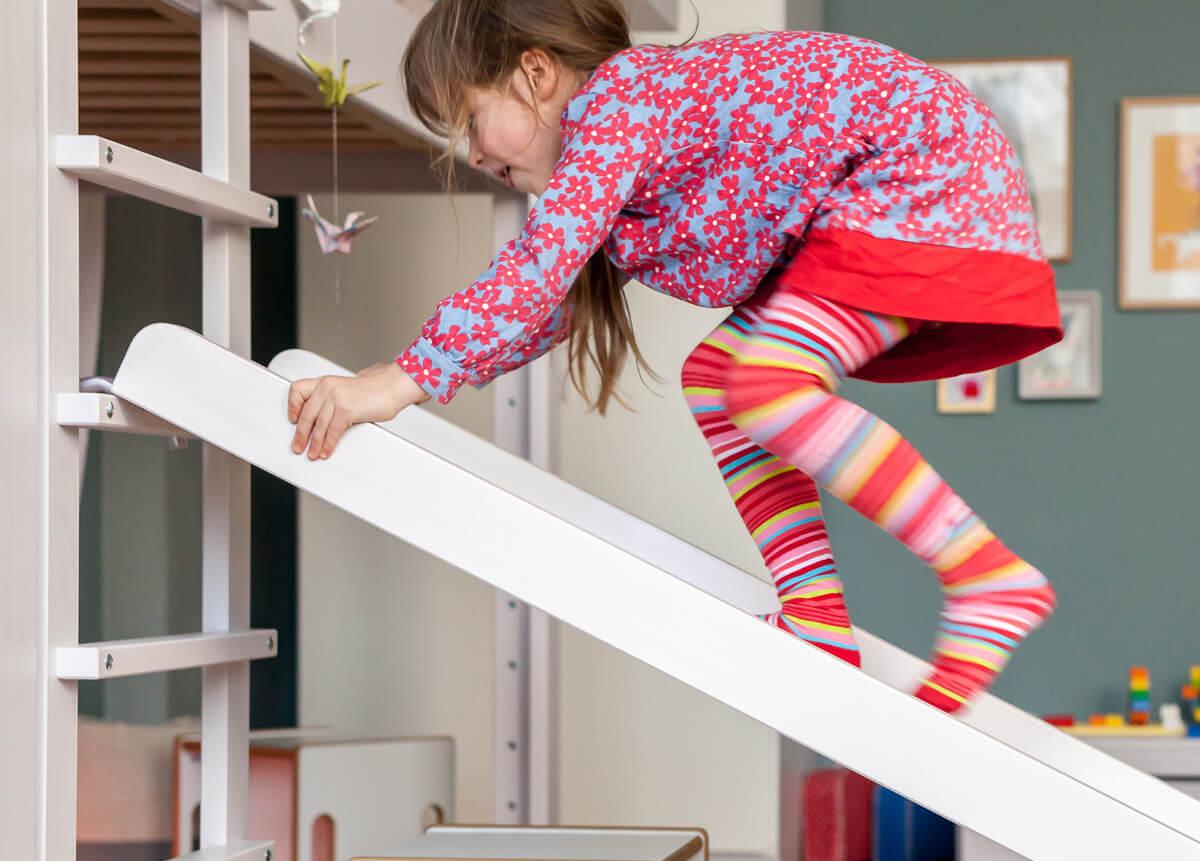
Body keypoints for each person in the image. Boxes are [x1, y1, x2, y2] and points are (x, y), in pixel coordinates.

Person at [286, 0, 1063, 714]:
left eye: (471, 120)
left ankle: (984, 575)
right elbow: (541, 313)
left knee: (765, 384)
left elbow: (532, 274)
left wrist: (396, 380)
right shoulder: (625, 171)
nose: (473, 156)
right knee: (718, 379)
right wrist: (419, 378)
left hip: (916, 169)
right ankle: (818, 618)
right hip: (873, 190)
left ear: (534, 73)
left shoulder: (621, 103)